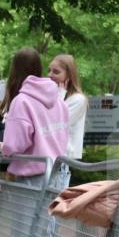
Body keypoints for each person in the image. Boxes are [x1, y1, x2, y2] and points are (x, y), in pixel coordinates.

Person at [0, 47, 68, 237]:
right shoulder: (58, 99)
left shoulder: (22, 101)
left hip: (31, 178)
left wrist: (1, 146)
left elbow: (15, 145)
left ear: (15, 70)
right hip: (56, 174)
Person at [48, 54, 88, 187]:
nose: (50, 75)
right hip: (47, 155)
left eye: (56, 72)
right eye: (49, 70)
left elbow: (56, 124)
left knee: (52, 202)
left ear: (69, 76)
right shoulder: (51, 97)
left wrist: (59, 94)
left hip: (61, 159)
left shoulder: (78, 99)